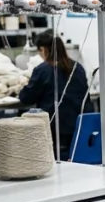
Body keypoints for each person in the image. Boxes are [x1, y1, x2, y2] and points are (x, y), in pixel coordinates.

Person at [18, 31, 89, 160]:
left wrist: (24, 86)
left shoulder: (43, 70)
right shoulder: (77, 68)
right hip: (78, 128)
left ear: (43, 50)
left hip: (54, 130)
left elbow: (25, 98)